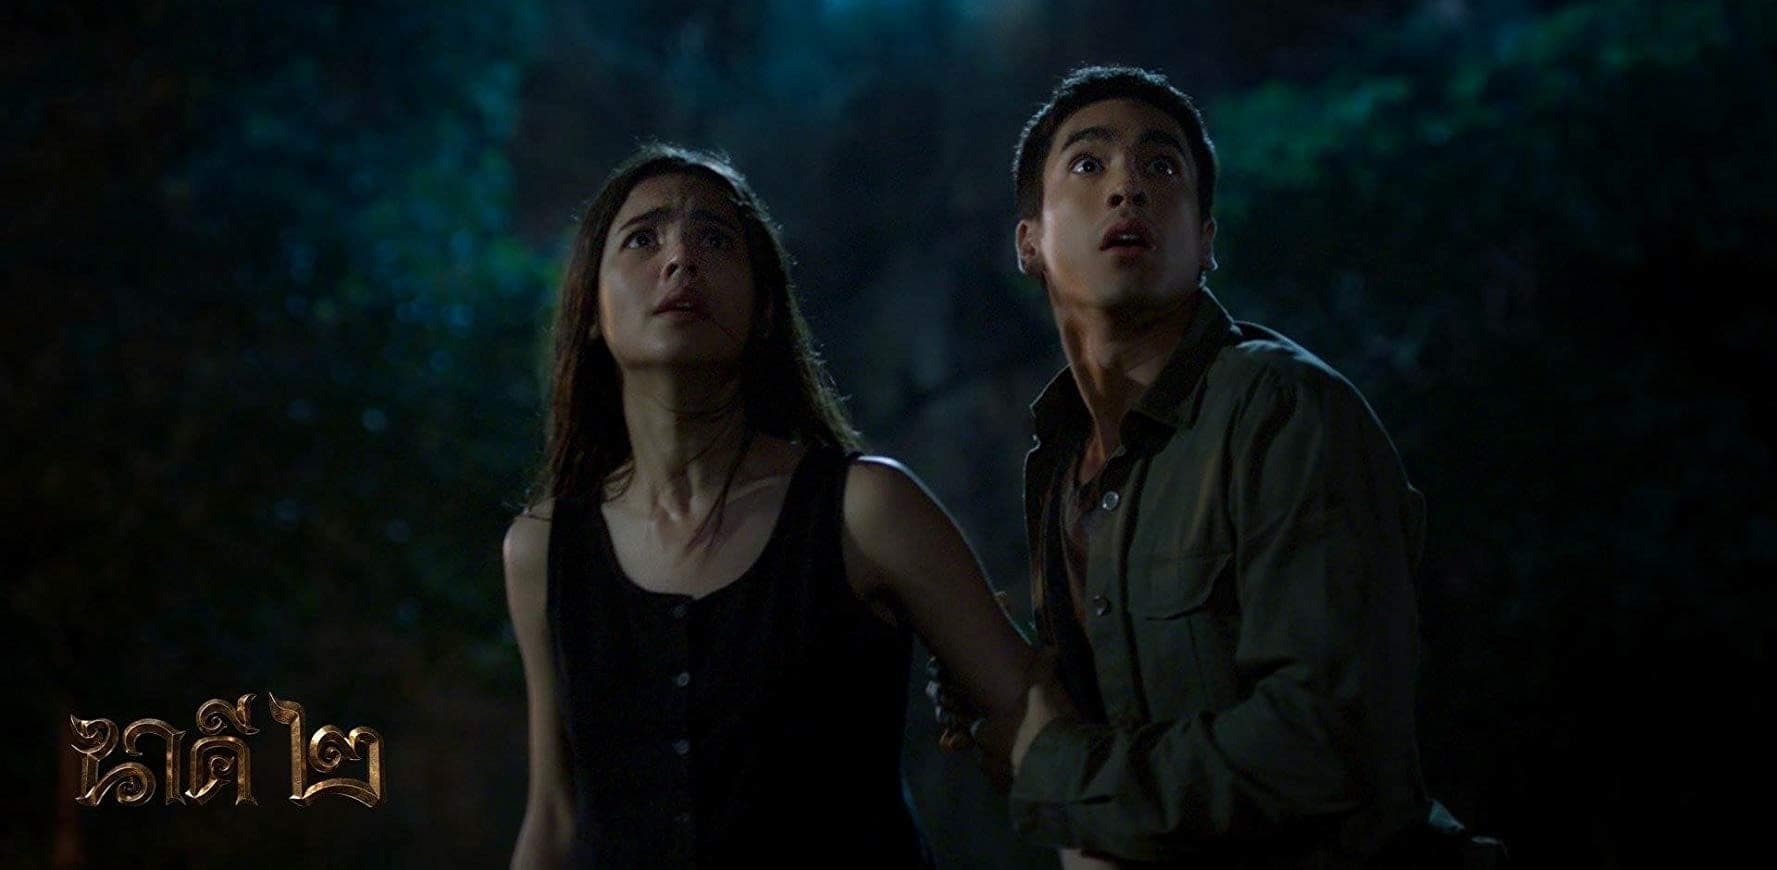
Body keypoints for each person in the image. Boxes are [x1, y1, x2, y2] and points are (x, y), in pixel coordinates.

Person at [500, 144, 1053, 868]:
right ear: (592, 310)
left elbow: (1032, 714)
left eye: (714, 240)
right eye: (642, 239)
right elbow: (553, 813)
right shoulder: (543, 548)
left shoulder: (865, 509)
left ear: (764, 308)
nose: (680, 260)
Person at [956, 64, 1442, 867]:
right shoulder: (1059, 461)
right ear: (1028, 241)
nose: (1127, 189)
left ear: (1205, 238)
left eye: (1161, 167)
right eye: (1088, 163)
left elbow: (1324, 744)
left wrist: (1054, 768)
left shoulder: (1279, 408)